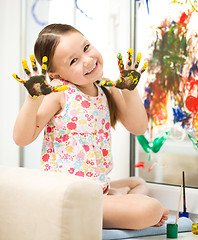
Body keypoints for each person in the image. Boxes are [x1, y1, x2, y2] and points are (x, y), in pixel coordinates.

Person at [13, 23, 169, 230]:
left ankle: (120, 206)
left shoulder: (106, 87)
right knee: (150, 209)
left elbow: (138, 128)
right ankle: (133, 211)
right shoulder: (59, 93)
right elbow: (21, 138)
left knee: (138, 183)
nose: (87, 61)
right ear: (58, 75)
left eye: (86, 47)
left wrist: (130, 91)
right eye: (74, 61)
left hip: (96, 189)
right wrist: (32, 100)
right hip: (68, 195)